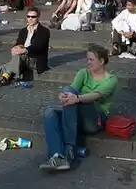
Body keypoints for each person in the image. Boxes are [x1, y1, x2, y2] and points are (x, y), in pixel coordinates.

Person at [40, 44, 117, 172]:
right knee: (49, 113)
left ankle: (69, 148)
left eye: (91, 60)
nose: (88, 63)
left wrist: (77, 98)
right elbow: (71, 91)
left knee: (76, 99)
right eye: (87, 59)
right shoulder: (83, 73)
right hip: (76, 116)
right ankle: (59, 156)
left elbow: (95, 96)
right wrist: (64, 96)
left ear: (102, 61)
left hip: (95, 119)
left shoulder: (110, 80)